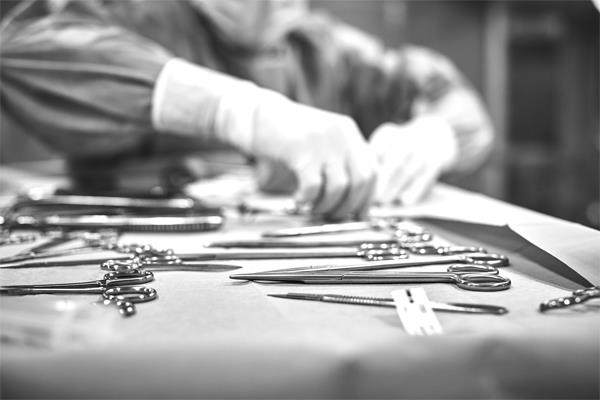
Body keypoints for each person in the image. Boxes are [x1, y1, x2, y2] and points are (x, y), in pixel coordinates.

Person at [0, 0, 493, 220]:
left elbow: (454, 100)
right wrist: (241, 111)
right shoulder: (134, 17)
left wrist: (436, 134)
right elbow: (22, 48)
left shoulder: (320, 48)